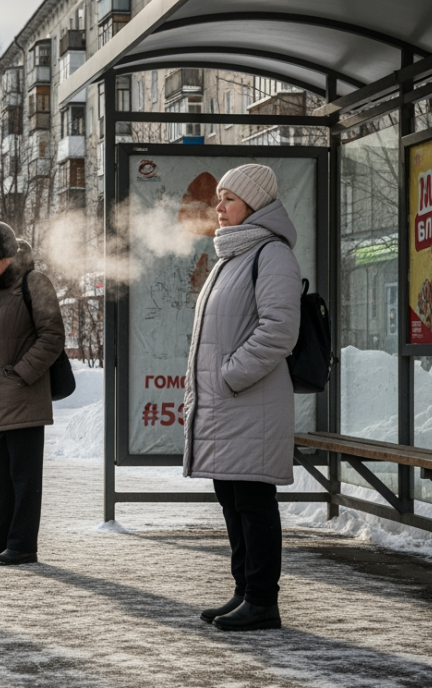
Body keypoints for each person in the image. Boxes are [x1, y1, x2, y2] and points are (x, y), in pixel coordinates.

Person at [181, 164, 301, 631]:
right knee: (232, 499)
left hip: (250, 402)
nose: (220, 207)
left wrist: (228, 377)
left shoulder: (271, 255)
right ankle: (243, 592)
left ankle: (262, 600)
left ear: (255, 205)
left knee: (253, 501)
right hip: (227, 403)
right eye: (220, 199)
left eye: (229, 198)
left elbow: (278, 332)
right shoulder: (231, 257)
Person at [0, 222, 65, 566]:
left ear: (8, 256)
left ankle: (22, 544)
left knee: (24, 478)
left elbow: (52, 336)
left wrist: (22, 373)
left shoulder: (34, 283)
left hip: (22, 399)